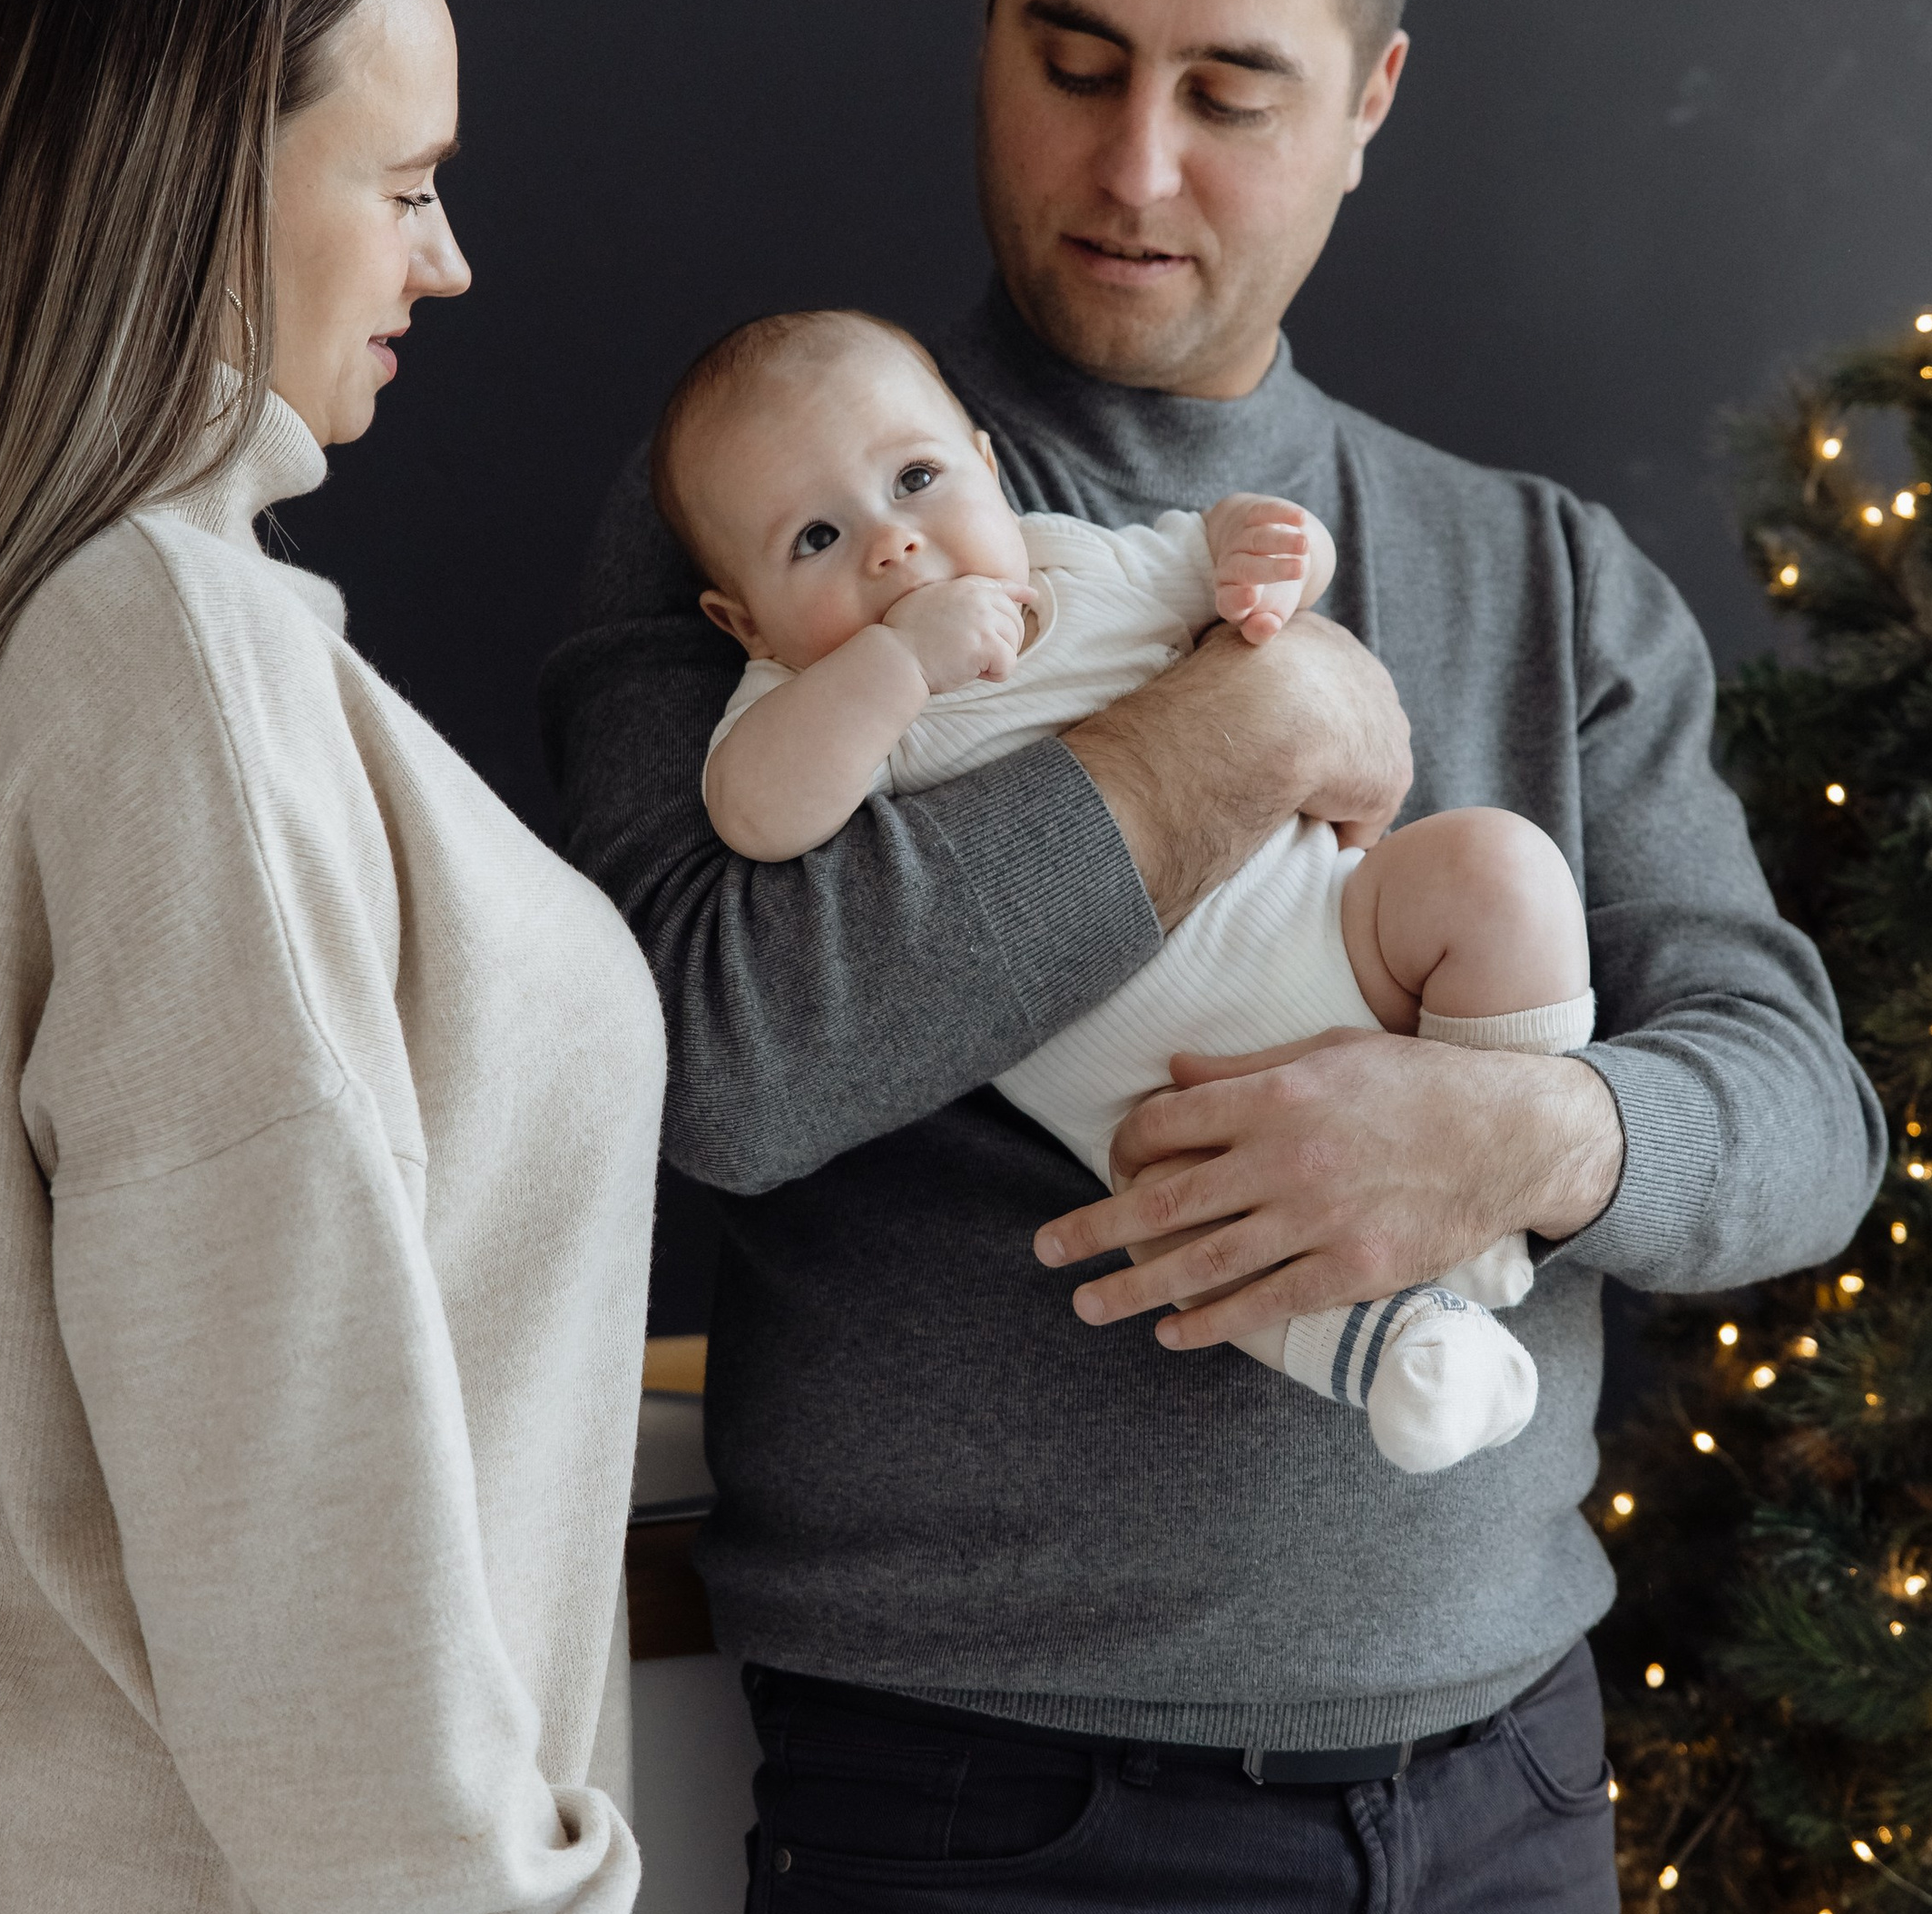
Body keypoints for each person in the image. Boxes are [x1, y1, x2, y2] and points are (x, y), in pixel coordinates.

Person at [544, 0, 1884, 1914]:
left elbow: (1797, 1108)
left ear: (1367, 104)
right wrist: (1223, 742)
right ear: (987, 27)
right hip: (981, 1857)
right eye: (1070, 58)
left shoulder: (1528, 574)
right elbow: (720, 1053)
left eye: (1227, 90)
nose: (1131, 168)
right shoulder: (790, 515)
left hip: (1496, 1825)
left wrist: (1505, 1145)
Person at [0, 0, 717, 1914]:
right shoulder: (154, 653)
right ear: (190, 180)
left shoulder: (129, 630)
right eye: (399, 181)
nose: (449, 256)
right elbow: (294, 1473)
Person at [653, 302, 1596, 1470]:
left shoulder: (1082, 563)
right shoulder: (815, 699)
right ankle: (1419, 1349)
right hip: (1167, 1105)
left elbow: (1220, 558)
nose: (891, 546)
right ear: (742, 621)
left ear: (990, 472)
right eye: (814, 541)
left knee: (1500, 872)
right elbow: (758, 811)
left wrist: (1272, 547)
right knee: (1206, 1241)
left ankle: (1492, 1145)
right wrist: (897, 665)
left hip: (1337, 933)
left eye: (915, 477)